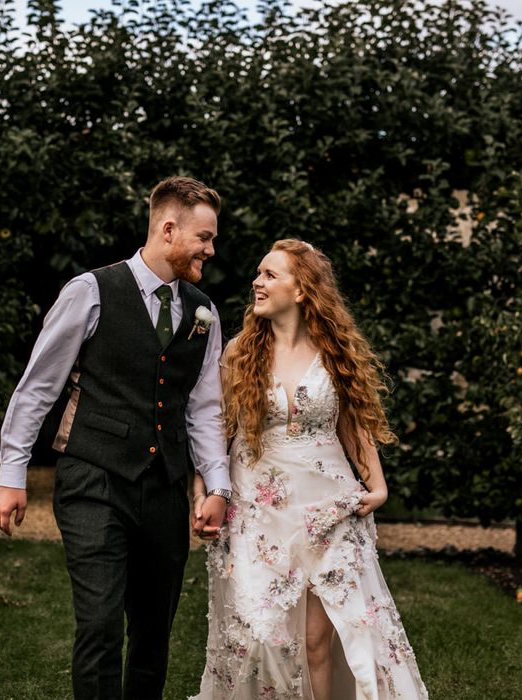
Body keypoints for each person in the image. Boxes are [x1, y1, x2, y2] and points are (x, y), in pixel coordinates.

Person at [0, 176, 232, 700]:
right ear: (169, 229)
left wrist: (217, 486)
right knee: (100, 625)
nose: (211, 250)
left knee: (153, 634)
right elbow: (37, 387)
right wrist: (12, 474)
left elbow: (204, 406)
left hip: (165, 488)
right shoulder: (89, 291)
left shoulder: (203, 312)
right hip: (94, 478)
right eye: (204, 238)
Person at [190, 239, 428, 699]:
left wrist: (377, 489)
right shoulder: (240, 353)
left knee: (320, 640)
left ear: (301, 291)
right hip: (258, 509)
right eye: (258, 274)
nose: (257, 282)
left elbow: (354, 427)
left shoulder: (333, 352)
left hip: (327, 507)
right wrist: (201, 495)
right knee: (260, 636)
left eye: (270, 275)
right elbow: (214, 431)